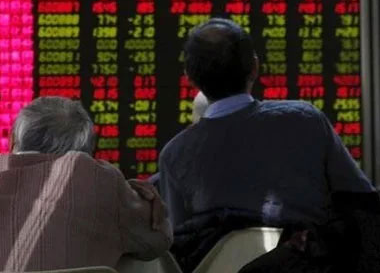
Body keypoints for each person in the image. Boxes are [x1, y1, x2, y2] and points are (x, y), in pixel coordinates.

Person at [159, 18, 375, 271]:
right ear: (254, 67)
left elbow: (178, 247)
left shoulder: (173, 156)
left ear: (189, 78)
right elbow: (363, 204)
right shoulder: (305, 120)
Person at [0, 96, 173, 271]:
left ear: (13, 141)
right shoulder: (94, 175)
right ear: (87, 151)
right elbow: (158, 241)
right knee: (142, 262)